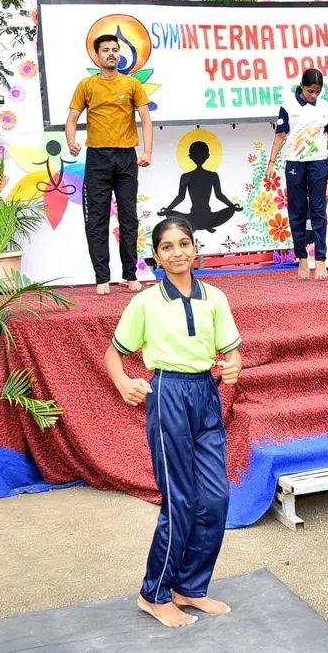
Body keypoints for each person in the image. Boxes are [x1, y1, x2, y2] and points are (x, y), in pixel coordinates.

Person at [104, 216, 242, 629]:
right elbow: (114, 354)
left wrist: (233, 365)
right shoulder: (145, 302)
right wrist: (124, 381)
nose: (178, 252)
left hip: (205, 394)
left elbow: (231, 352)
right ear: (156, 257)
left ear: (196, 249)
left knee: (216, 499)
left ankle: (190, 587)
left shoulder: (214, 298)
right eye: (168, 246)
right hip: (167, 394)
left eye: (184, 243)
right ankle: (155, 593)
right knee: (180, 500)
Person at [66, 32, 155, 295]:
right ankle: (101, 277)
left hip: (126, 157)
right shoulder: (86, 85)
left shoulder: (131, 85)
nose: (111, 54)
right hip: (97, 158)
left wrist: (147, 150)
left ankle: (130, 274)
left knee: (129, 217)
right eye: (105, 50)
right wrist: (72, 140)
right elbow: (71, 119)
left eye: (115, 49)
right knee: (97, 219)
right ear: (97, 56)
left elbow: (146, 120)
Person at [263, 68, 328, 280]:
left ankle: (321, 261)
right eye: (311, 91)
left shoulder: (324, 107)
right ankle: (302, 258)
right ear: (302, 86)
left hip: (319, 162)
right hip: (295, 162)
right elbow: (280, 135)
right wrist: (271, 162)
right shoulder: (287, 106)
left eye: (317, 92)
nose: (314, 95)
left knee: (319, 210)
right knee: (298, 211)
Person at [159, 141, 241, 233]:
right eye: (197, 154)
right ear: (207, 155)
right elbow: (181, 196)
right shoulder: (189, 176)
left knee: (229, 211)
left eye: (201, 154)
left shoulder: (211, 176)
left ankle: (198, 225)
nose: (199, 156)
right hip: (201, 217)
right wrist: (168, 210)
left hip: (204, 216)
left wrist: (232, 206)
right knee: (172, 214)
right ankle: (205, 224)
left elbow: (218, 195)